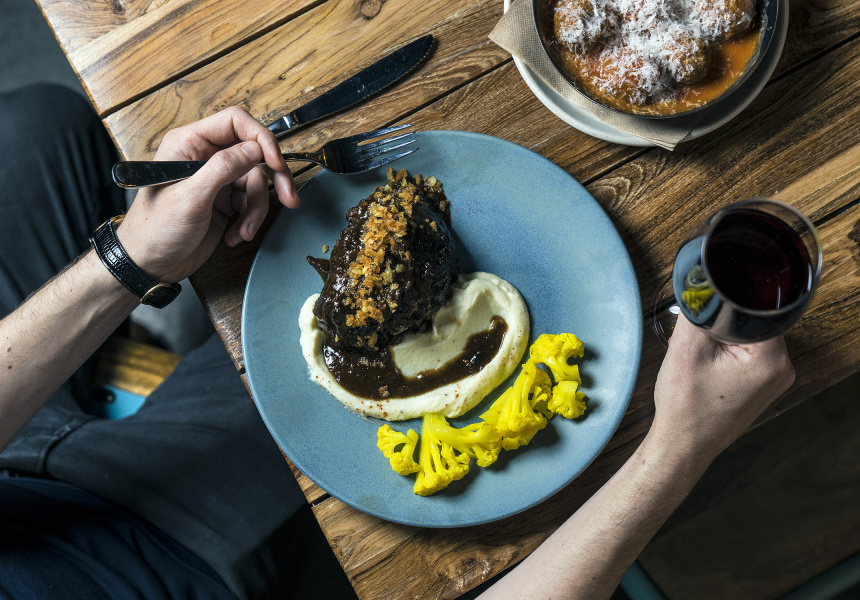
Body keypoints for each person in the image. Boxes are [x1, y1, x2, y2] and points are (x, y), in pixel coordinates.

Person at [0, 83, 795, 600]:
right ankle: (153, 355)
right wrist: (679, 449)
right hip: (175, 560)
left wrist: (128, 261)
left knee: (41, 125)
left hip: (20, 477)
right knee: (270, 384)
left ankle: (128, 354)